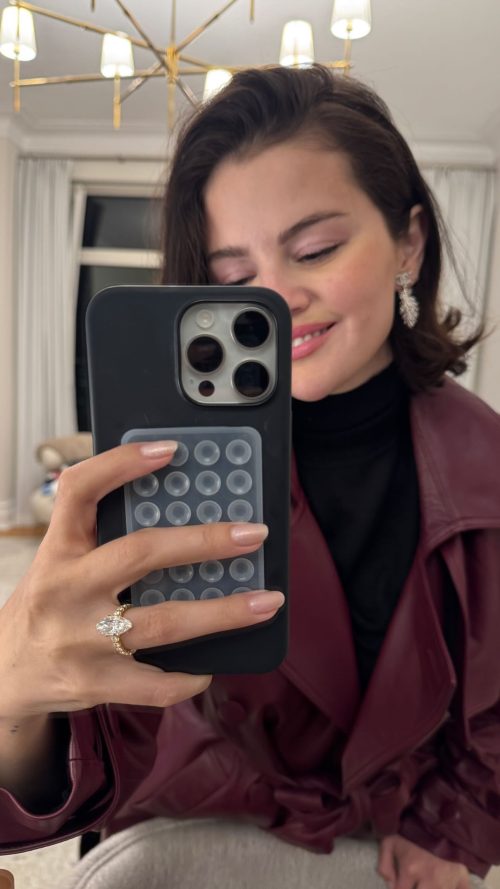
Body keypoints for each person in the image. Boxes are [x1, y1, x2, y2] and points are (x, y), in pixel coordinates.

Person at [1, 64, 499, 889]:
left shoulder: (485, 466)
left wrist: (453, 827)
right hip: (191, 818)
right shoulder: (171, 468)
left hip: (389, 830)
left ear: (408, 243)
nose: (276, 297)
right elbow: (101, 737)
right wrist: (17, 701)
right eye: (233, 278)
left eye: (316, 248)